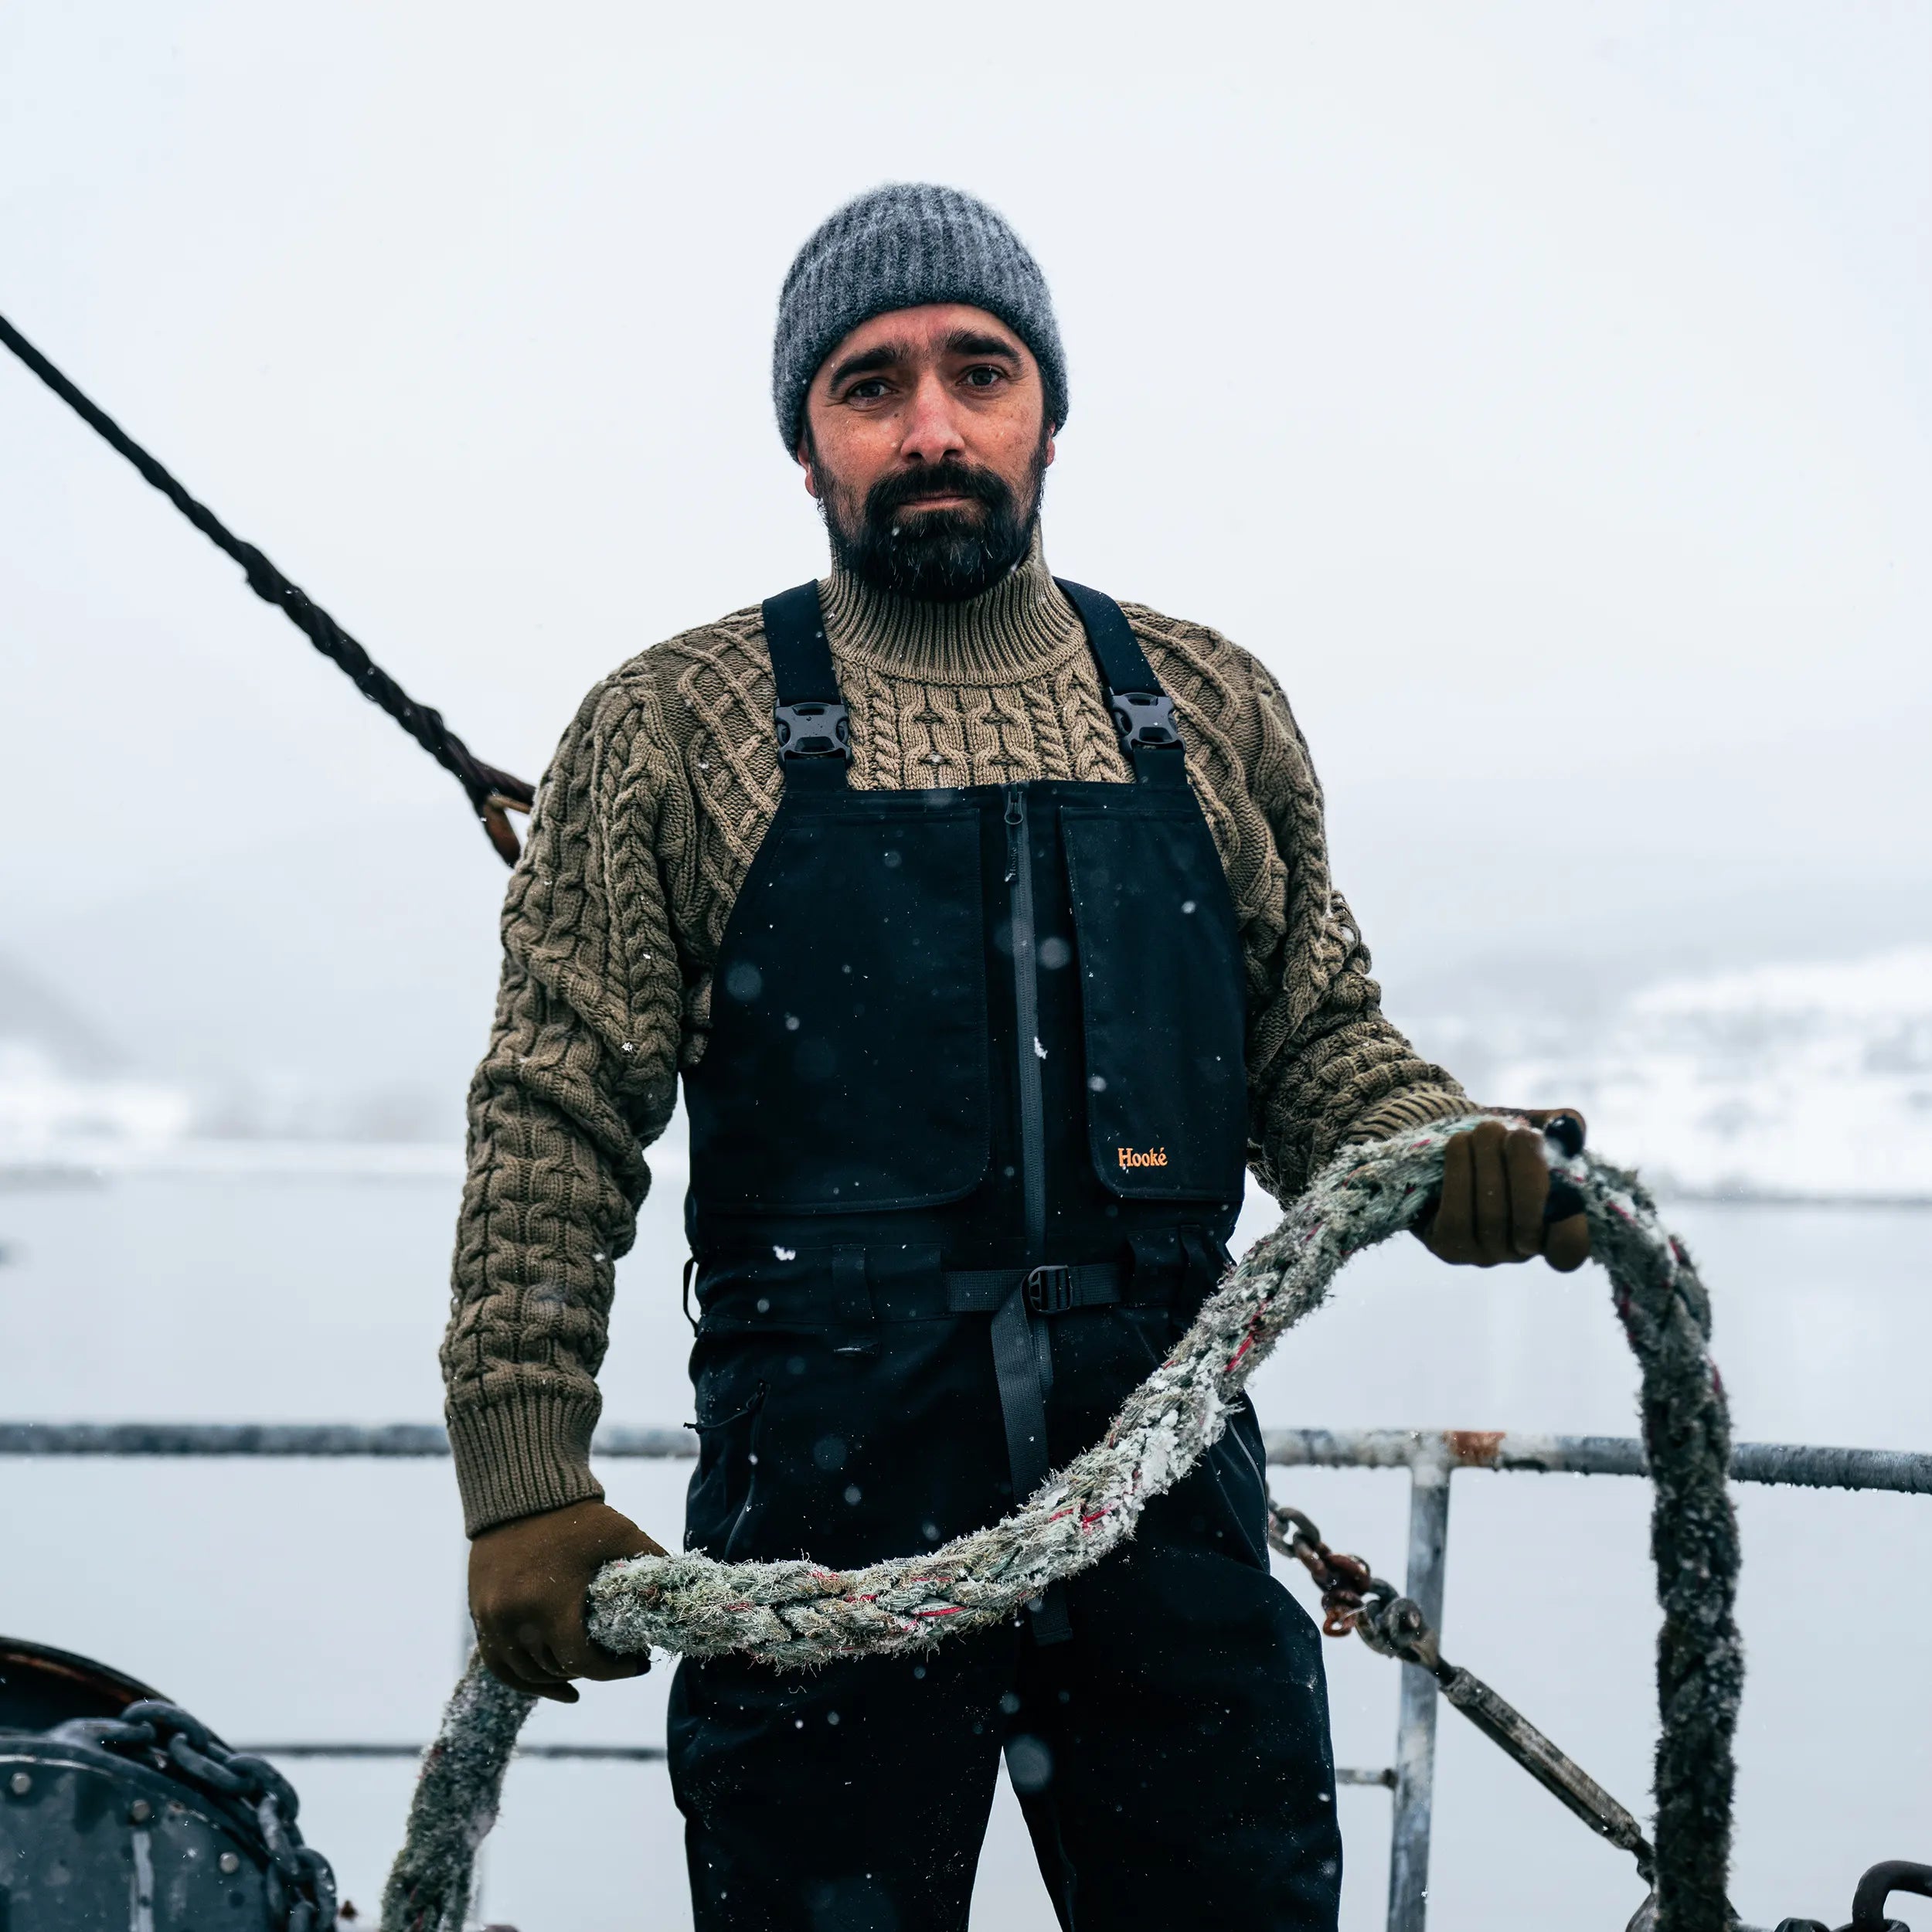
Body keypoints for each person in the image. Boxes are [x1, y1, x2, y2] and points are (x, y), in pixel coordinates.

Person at [442, 184, 1588, 1931]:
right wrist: (526, 1473)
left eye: (977, 372)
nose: (929, 425)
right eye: (868, 382)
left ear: (1047, 410)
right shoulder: (672, 725)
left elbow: (1316, 1043)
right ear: (805, 443)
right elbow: (554, 1113)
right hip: (815, 1502)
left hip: (1164, 1480)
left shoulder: (1208, 704)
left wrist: (1443, 1154)